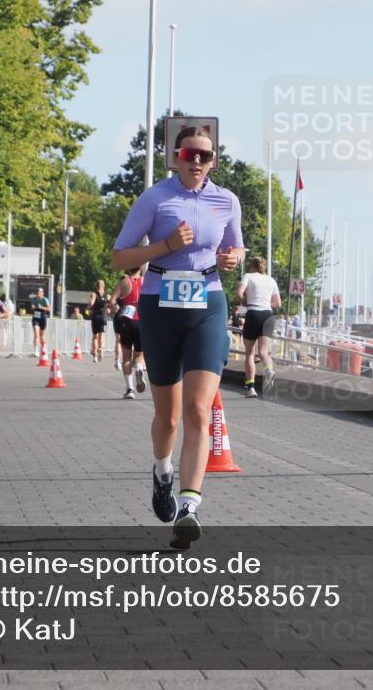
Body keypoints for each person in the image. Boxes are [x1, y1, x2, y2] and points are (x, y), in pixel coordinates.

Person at [112, 125, 243, 549]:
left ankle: (189, 506)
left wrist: (231, 259)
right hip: (160, 304)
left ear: (214, 160)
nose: (198, 163)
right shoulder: (155, 199)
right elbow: (119, 257)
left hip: (207, 302)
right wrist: (164, 244)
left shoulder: (227, 201)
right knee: (168, 417)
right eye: (191, 155)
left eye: (206, 156)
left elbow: (236, 249)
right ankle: (162, 471)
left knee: (199, 411)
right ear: (176, 156)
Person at [237, 257, 280, 397]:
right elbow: (277, 303)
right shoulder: (271, 280)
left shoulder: (248, 276)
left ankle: (250, 388)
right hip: (268, 315)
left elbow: (239, 293)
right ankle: (268, 370)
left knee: (249, 352)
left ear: (252, 266)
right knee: (263, 352)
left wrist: (244, 301)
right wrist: (265, 304)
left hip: (253, 313)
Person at [110, 268, 147, 399]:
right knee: (139, 354)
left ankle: (129, 389)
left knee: (126, 357)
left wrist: (115, 307)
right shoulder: (147, 281)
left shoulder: (124, 282)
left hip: (126, 321)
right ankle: (138, 368)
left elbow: (112, 301)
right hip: (142, 320)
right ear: (140, 268)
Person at [88, 279, 108, 362]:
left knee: (95, 336)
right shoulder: (107, 295)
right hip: (103, 316)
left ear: (96, 286)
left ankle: (95, 355)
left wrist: (88, 307)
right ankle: (100, 349)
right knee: (102, 335)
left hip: (95, 316)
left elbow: (91, 304)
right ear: (103, 286)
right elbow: (108, 307)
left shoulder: (94, 294)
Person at [29, 287, 51, 357]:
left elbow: (49, 309)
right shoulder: (34, 299)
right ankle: (36, 351)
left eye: (40, 292)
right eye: (38, 292)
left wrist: (42, 307)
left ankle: (43, 348)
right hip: (36, 317)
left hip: (43, 316)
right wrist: (32, 307)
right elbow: (31, 307)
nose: (39, 293)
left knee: (42, 336)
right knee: (36, 333)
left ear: (42, 293)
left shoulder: (45, 299)